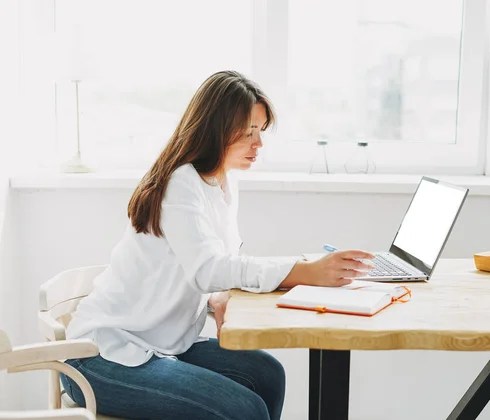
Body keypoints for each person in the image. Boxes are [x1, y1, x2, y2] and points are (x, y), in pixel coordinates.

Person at [61, 70, 374, 420]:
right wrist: (303, 272)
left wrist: (218, 298)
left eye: (261, 131)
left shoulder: (222, 181)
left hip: (162, 343)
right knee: (245, 409)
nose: (258, 144)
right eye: (248, 133)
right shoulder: (181, 182)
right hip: (101, 355)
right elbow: (209, 269)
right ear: (215, 130)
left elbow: (208, 263)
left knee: (267, 374)